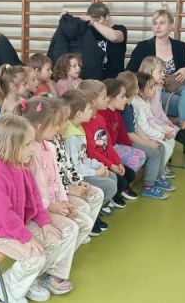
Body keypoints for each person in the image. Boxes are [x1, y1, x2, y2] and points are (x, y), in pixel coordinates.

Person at [0, 115, 76, 303]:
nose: (32, 148)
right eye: (28, 144)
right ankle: (6, 287)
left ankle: (29, 281)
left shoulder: (21, 165)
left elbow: (34, 197)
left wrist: (45, 223)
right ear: (11, 147)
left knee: (54, 240)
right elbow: (4, 214)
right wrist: (26, 237)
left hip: (14, 224)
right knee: (34, 256)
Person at [126, 4, 185, 172]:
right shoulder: (143, 47)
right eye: (155, 23)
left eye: (162, 23)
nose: (157, 26)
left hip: (175, 89)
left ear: (171, 26)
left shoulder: (180, 46)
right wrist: (152, 81)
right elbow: (130, 74)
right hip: (154, 93)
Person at [16, 97, 91, 249]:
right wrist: (51, 206)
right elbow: (34, 191)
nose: (58, 128)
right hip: (40, 209)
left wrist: (63, 200)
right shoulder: (30, 153)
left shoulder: (50, 147)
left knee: (85, 222)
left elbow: (57, 179)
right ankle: (57, 259)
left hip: (54, 202)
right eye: (54, 125)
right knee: (71, 228)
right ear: (40, 127)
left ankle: (64, 254)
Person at [78, 80, 139, 207]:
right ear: (93, 102)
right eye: (104, 97)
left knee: (130, 174)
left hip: (106, 161)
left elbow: (108, 145)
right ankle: (109, 199)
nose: (107, 99)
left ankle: (114, 194)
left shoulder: (100, 119)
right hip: (96, 163)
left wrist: (117, 163)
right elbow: (92, 152)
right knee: (120, 181)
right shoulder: (85, 123)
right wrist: (111, 165)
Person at [51, 99, 106, 236]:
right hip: (56, 193)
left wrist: (79, 181)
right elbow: (52, 178)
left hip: (66, 186)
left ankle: (86, 230)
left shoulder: (57, 139)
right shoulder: (48, 145)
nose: (67, 123)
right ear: (54, 124)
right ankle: (82, 231)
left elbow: (67, 165)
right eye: (65, 120)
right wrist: (68, 188)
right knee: (82, 207)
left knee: (97, 193)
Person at [60, 89, 116, 217]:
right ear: (79, 114)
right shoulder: (71, 137)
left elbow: (83, 158)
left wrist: (98, 166)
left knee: (112, 177)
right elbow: (75, 167)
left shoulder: (78, 128)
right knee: (110, 185)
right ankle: (91, 215)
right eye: (89, 109)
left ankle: (97, 210)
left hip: (84, 170)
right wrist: (96, 173)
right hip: (76, 177)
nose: (92, 111)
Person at [47, 2, 127, 80]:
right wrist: (67, 20)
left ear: (107, 17)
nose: (96, 22)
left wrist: (93, 22)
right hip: (93, 79)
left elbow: (115, 37)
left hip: (114, 80)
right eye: (93, 19)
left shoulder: (119, 28)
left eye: (98, 20)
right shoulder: (87, 31)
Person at [132, 73, 177, 200]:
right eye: (151, 87)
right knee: (159, 148)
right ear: (140, 90)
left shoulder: (145, 102)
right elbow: (143, 128)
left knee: (162, 146)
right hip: (141, 137)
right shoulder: (138, 105)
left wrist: (162, 132)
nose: (154, 90)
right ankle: (148, 186)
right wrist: (161, 134)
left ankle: (157, 177)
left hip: (147, 134)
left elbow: (151, 122)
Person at [100, 78, 147, 174]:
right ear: (110, 98)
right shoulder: (103, 114)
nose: (126, 99)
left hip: (117, 146)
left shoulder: (117, 112)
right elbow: (106, 143)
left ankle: (127, 176)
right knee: (134, 160)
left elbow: (123, 134)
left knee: (141, 155)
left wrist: (129, 148)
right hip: (109, 149)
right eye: (122, 96)